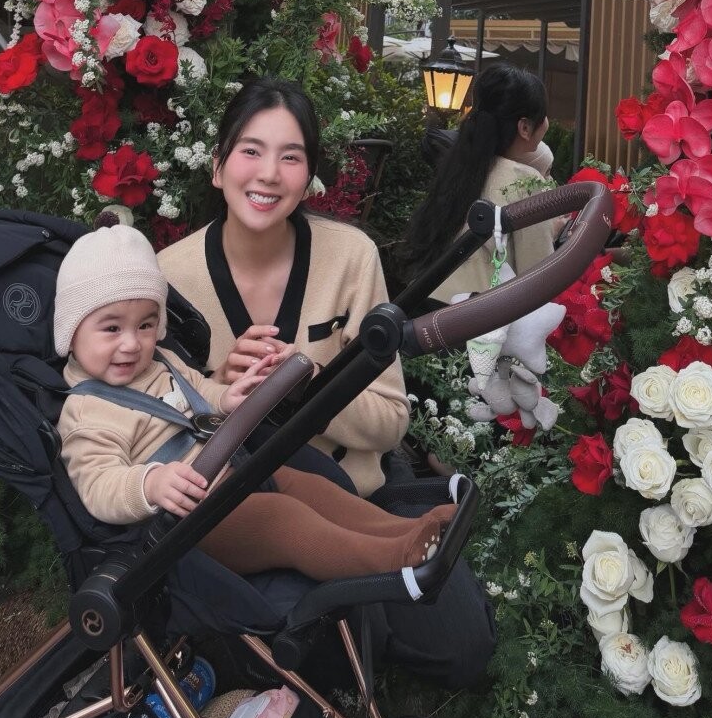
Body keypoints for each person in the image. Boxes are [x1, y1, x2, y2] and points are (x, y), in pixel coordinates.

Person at [157, 76, 496, 688]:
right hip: (245, 504)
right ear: (218, 167)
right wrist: (219, 388)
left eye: (291, 157)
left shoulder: (349, 257)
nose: (268, 174)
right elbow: (156, 422)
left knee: (463, 648)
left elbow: (391, 421)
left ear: (310, 175)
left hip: (360, 494)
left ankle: (356, 616)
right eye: (251, 151)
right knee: (307, 628)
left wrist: (310, 383)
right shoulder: (169, 278)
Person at [54, 224, 455, 581]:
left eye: (145, 325)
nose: (131, 343)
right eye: (111, 328)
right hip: (189, 524)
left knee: (312, 487)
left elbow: (198, 389)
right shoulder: (86, 410)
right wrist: (150, 484)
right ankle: (393, 558)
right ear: (71, 333)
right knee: (283, 519)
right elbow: (98, 484)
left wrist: (225, 396)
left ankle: (408, 529)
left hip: (233, 474)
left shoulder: (161, 360)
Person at [403, 64, 556, 304]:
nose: (547, 122)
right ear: (525, 127)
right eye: (544, 115)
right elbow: (540, 278)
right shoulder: (525, 180)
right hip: (477, 318)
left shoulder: (459, 167)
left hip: (425, 306)